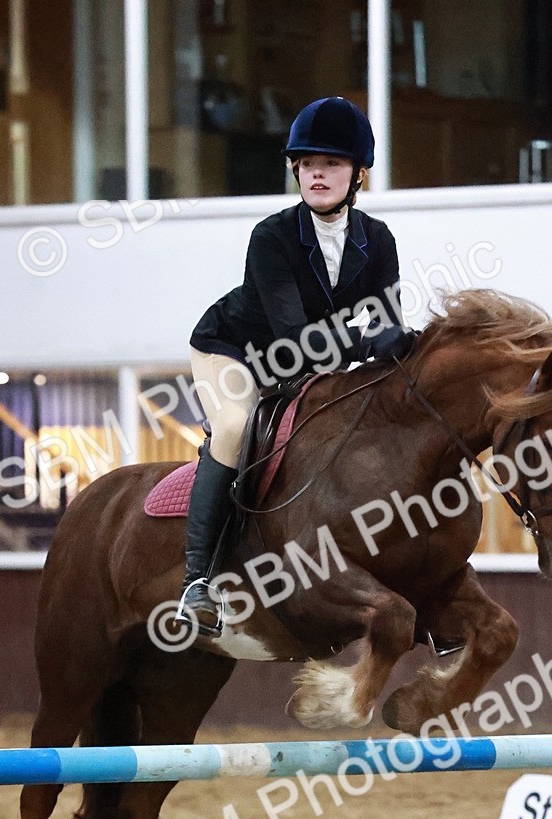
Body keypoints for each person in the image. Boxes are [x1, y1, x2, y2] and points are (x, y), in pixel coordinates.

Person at [176, 95, 415, 635]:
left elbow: (386, 321)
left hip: (311, 359)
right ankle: (198, 582)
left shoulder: (377, 240)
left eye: (330, 163)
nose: (317, 174)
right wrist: (372, 341)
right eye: (307, 164)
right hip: (237, 351)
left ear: (358, 175)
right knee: (236, 427)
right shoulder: (271, 236)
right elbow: (295, 340)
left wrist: (401, 343)